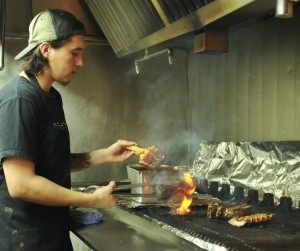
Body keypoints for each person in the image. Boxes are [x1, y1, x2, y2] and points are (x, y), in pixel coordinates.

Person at [0, 9, 136, 251]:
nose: (81, 62)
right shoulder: (20, 100)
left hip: (53, 235)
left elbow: (52, 162)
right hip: (26, 241)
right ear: (45, 50)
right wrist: (91, 200)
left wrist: (105, 155)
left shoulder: (51, 97)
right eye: (74, 53)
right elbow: (20, 184)